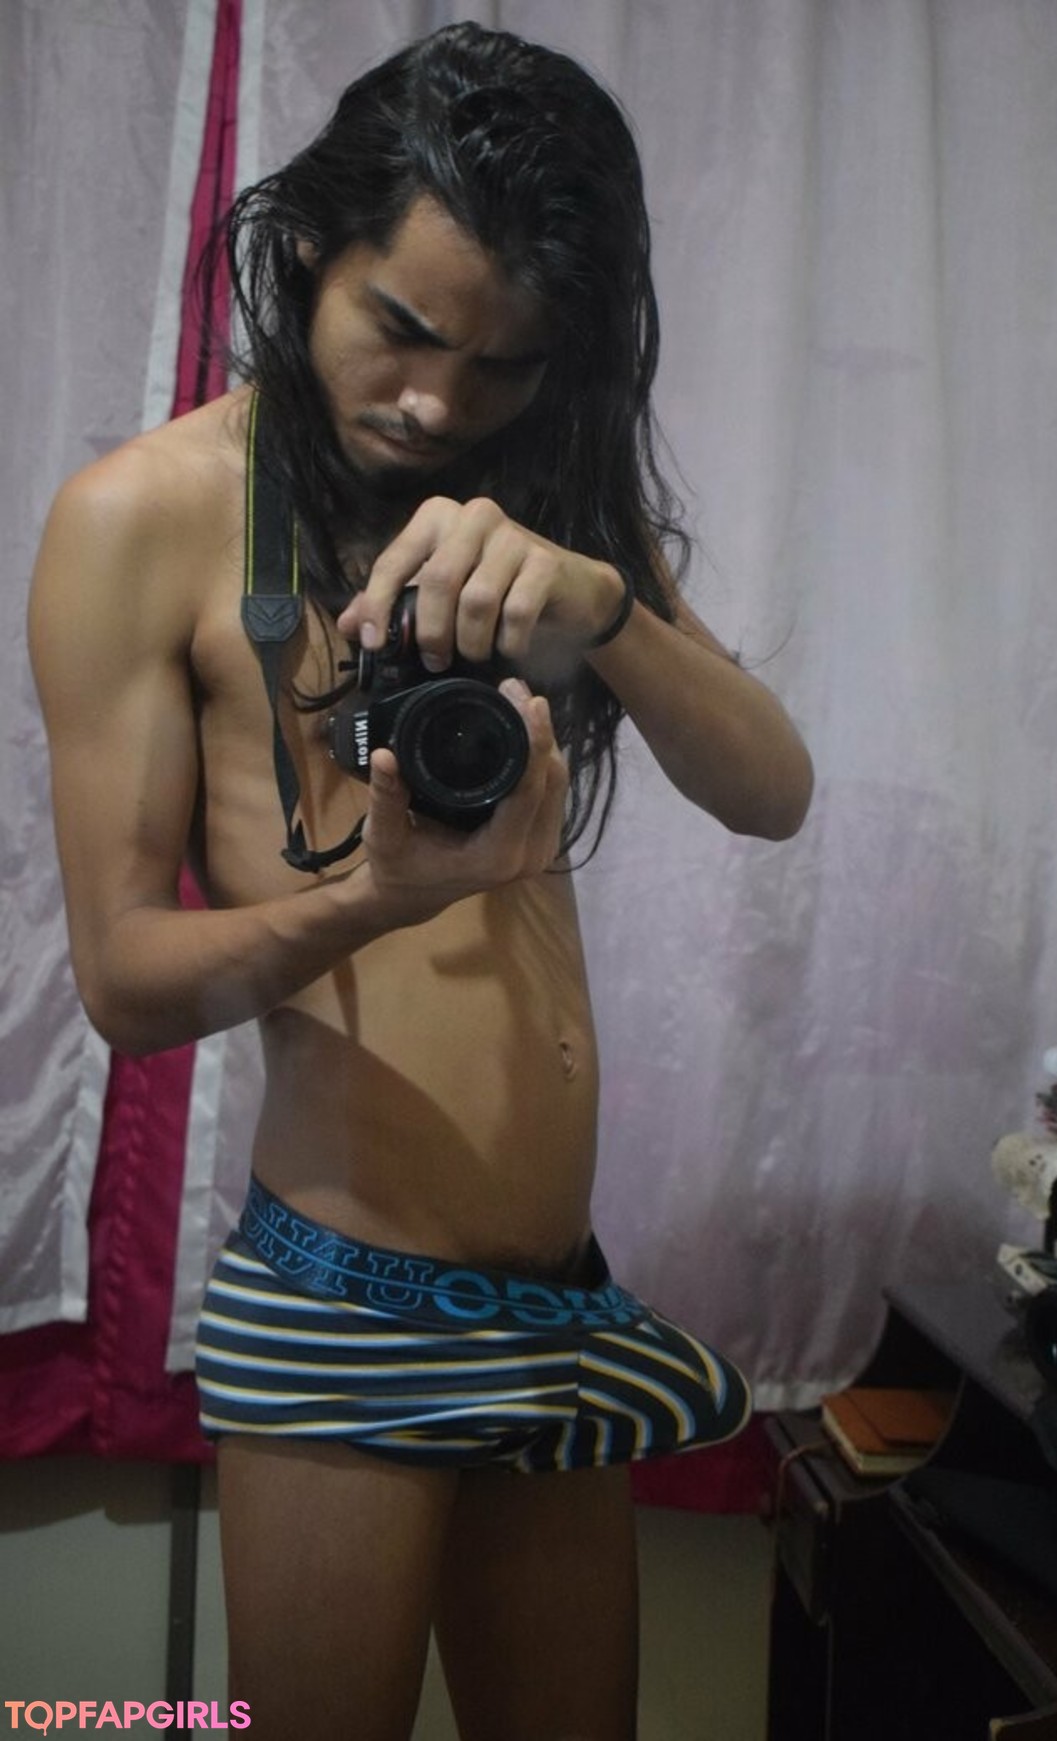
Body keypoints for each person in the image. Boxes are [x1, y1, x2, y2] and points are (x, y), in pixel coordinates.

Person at [29, 22, 812, 1741]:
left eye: (505, 364)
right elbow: (125, 980)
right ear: (312, 245)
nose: (438, 404)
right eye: (402, 328)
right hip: (344, 1293)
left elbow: (772, 790)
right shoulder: (141, 519)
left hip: (562, 1293)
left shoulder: (539, 502)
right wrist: (371, 897)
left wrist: (608, 604)